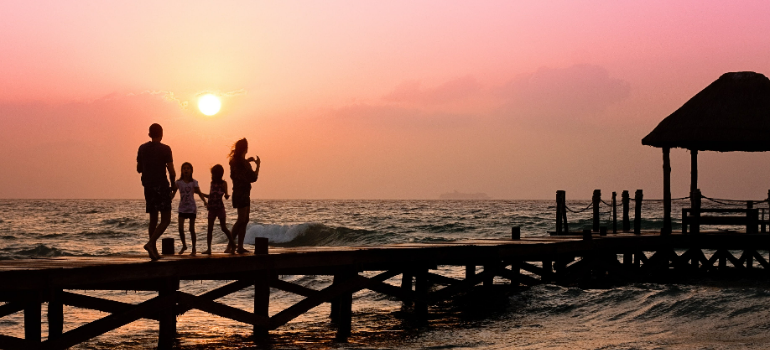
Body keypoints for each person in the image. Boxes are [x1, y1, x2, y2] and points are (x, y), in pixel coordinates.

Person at [137, 123, 176, 260]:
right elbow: (171, 171)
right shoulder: (166, 149)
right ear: (162, 134)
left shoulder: (142, 148)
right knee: (166, 219)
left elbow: (139, 169)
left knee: (153, 218)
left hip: (148, 186)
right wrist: (173, 186)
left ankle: (153, 251)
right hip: (161, 186)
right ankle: (151, 243)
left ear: (149, 134)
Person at [229, 138, 260, 254]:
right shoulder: (242, 163)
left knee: (245, 220)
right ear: (245, 148)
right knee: (241, 220)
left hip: (242, 193)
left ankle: (239, 246)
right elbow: (253, 178)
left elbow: (240, 171)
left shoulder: (236, 161)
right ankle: (231, 245)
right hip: (241, 193)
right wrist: (258, 166)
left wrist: (247, 161)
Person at [171, 162, 207, 255]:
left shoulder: (194, 182)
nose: (186, 170)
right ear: (182, 171)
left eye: (188, 168)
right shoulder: (178, 182)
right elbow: (173, 193)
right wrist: (169, 200)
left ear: (191, 171)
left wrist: (205, 201)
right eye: (184, 168)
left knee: (191, 229)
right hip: (182, 208)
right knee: (180, 228)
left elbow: (199, 192)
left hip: (191, 208)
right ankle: (184, 245)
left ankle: (194, 249)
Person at [203, 164, 234, 254]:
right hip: (212, 208)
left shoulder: (223, 183)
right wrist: (200, 193)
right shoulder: (212, 183)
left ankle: (233, 244)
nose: (212, 176)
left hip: (220, 208)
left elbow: (226, 195)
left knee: (223, 228)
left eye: (214, 174)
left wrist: (227, 195)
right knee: (210, 229)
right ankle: (209, 249)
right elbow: (210, 196)